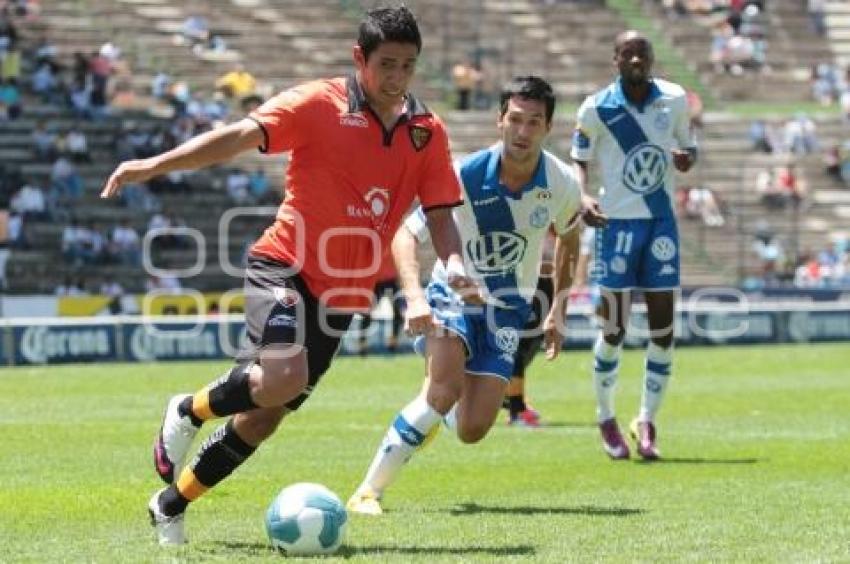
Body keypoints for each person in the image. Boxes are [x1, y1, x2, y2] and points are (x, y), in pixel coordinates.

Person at [100, 7, 472, 546]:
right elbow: (234, 137)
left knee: (263, 417)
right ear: (358, 59)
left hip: (344, 293)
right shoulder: (315, 103)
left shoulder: (426, 132)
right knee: (283, 380)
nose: (397, 78)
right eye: (386, 64)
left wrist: (454, 260)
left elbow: (440, 212)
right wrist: (155, 166)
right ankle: (186, 408)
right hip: (284, 265)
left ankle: (169, 504)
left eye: (408, 66)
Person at [347, 76, 599, 515]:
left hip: (509, 308)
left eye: (533, 123)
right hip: (453, 296)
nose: (523, 132)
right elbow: (406, 236)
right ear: (499, 120)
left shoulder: (560, 183)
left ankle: (440, 403)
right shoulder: (463, 174)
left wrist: (558, 309)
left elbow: (570, 243)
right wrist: (415, 297)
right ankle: (368, 491)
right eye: (515, 120)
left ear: (548, 127)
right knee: (442, 391)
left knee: (473, 428)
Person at [571, 30, 697, 461]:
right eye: (628, 54)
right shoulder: (597, 107)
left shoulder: (675, 99)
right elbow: (579, 157)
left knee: (664, 329)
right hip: (617, 224)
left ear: (652, 57)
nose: (636, 60)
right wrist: (583, 196)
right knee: (615, 328)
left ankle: (646, 420)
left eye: (642, 53)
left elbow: (688, 146)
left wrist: (685, 158)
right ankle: (606, 416)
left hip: (660, 222)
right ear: (616, 59)